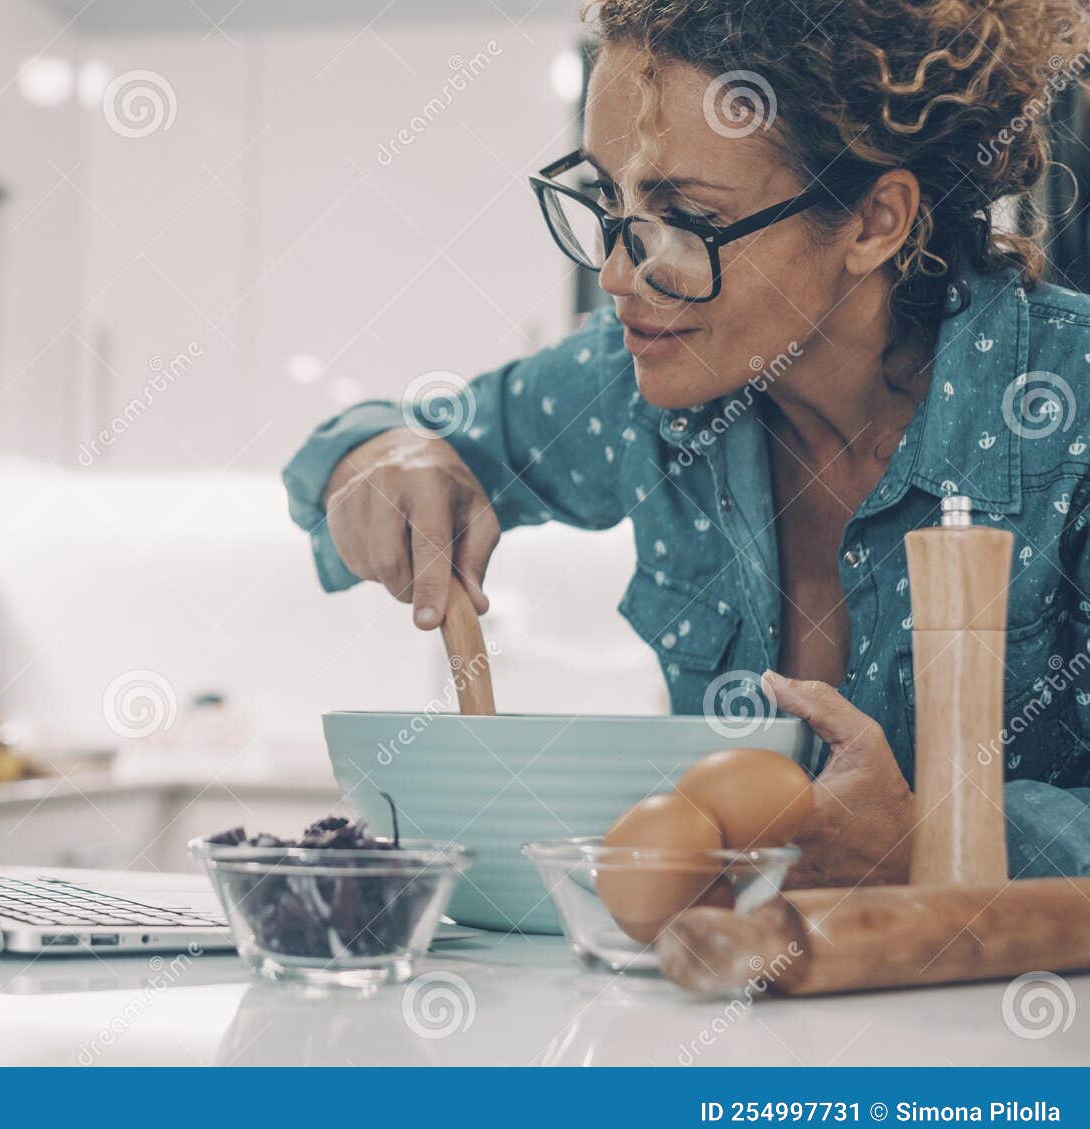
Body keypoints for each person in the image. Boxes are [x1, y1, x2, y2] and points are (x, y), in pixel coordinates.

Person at [283, 0, 1090, 887]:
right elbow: (373, 450)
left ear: (873, 222)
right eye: (607, 201)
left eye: (684, 216)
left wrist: (927, 838)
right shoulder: (646, 386)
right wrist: (383, 458)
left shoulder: (1066, 409)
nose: (618, 274)